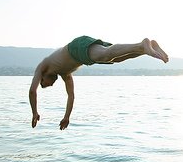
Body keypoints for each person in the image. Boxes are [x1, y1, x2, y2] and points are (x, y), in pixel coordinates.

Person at [29, 36, 169, 130]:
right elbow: (71, 96)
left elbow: (32, 91)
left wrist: (34, 113)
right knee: (114, 58)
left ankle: (144, 45)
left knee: (106, 54)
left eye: (44, 84)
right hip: (81, 54)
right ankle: (145, 48)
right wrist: (66, 117)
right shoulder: (65, 74)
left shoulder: (43, 66)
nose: (49, 85)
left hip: (76, 48)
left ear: (42, 77)